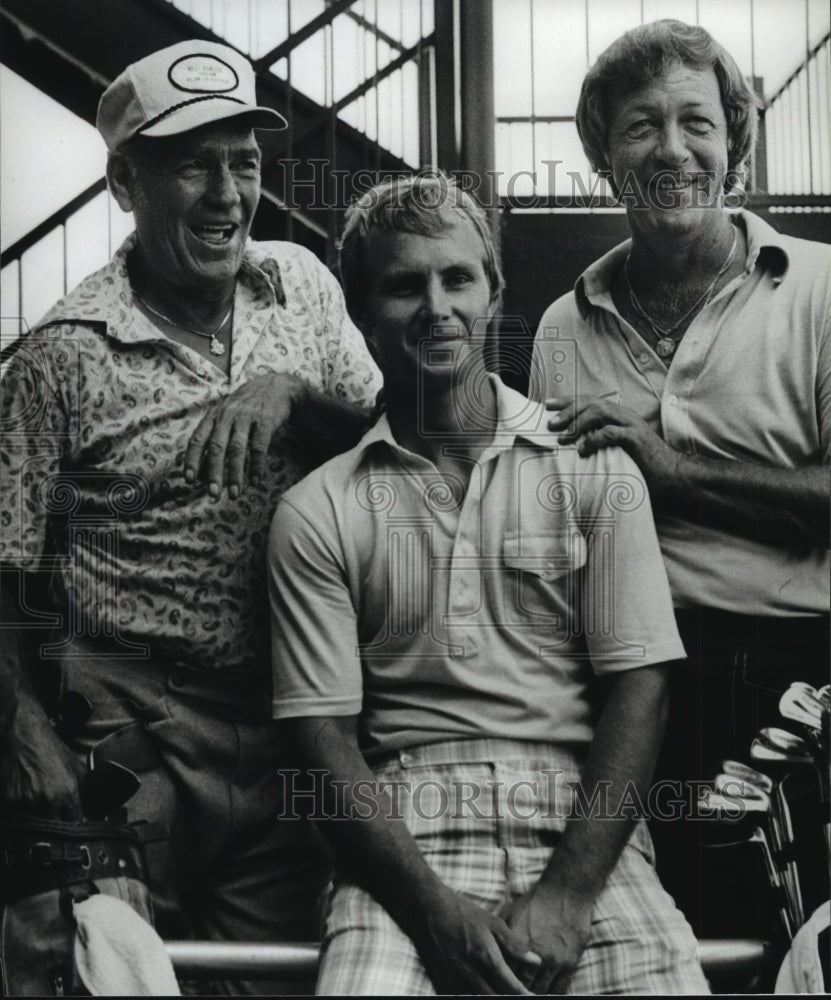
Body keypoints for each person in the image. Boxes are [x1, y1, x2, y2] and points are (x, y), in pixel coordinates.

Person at [0, 39, 381, 993]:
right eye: (190, 162)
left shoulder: (303, 287)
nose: (225, 193)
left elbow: (402, 456)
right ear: (125, 182)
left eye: (243, 162)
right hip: (128, 736)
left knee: (270, 977)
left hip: (292, 720)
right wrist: (27, 739)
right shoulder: (61, 354)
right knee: (97, 966)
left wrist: (297, 395)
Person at [267, 173, 709, 995]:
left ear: (494, 293)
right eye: (403, 285)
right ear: (361, 315)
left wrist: (569, 895)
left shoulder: (591, 467)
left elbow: (640, 689)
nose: (435, 306)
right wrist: (434, 912)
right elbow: (321, 741)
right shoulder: (315, 510)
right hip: (405, 832)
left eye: (456, 278)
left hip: (584, 828)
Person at [529, 19, 830, 939]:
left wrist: (672, 471)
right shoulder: (559, 329)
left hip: (802, 679)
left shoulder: (819, 290)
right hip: (632, 695)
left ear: (733, 144)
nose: (671, 149)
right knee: (666, 951)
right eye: (639, 127)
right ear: (603, 159)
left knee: (800, 945)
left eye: (696, 123)